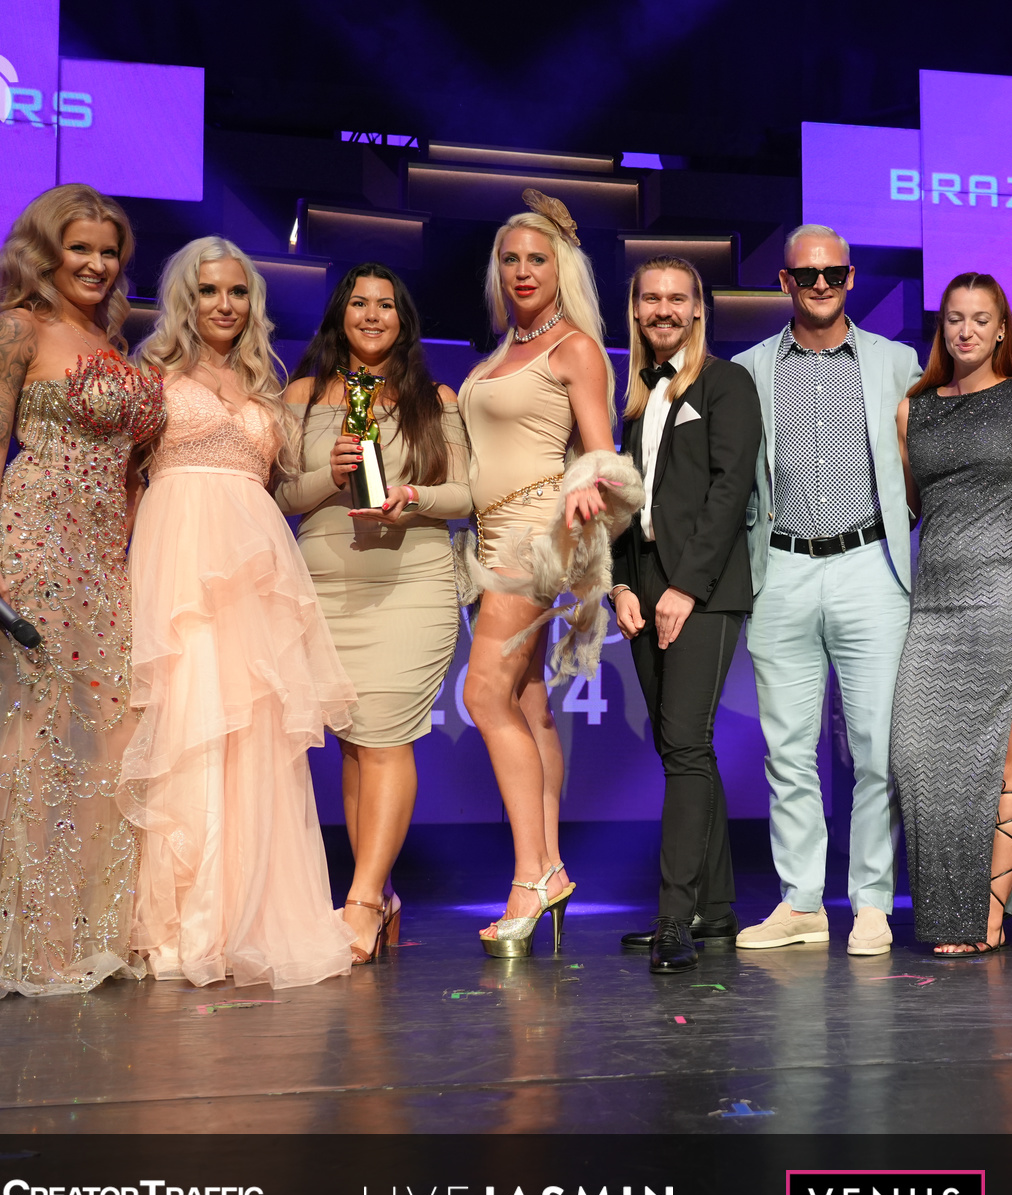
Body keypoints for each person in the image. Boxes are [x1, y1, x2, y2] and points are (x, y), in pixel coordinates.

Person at [120, 236, 356, 989]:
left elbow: (283, 490)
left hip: (256, 565)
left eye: (238, 291)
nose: (224, 304)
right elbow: (124, 480)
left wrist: (336, 473)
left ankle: (246, 919)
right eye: (209, 291)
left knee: (254, 731)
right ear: (184, 299)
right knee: (189, 723)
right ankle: (185, 927)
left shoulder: (266, 385)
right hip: (181, 563)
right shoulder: (150, 377)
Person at [0, 184, 164, 1001]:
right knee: (30, 739)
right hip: (36, 544)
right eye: (81, 248)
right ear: (46, 251)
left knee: (109, 745)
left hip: (106, 562)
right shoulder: (18, 330)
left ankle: (94, 933)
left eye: (110, 252)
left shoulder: (114, 342)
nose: (97, 264)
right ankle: (26, 943)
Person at [731, 224, 920, 957]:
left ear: (850, 278)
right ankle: (803, 903)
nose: (820, 286)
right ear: (783, 281)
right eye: (806, 275)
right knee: (787, 750)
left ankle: (871, 902)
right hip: (780, 566)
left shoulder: (895, 361)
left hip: (869, 563)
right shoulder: (749, 369)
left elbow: (927, 457)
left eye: (833, 274)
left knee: (876, 749)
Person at [461, 190, 639, 959]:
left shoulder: (573, 348)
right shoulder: (504, 350)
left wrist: (586, 491)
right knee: (529, 704)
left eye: (537, 258)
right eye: (510, 259)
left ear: (561, 267)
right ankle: (552, 867)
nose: (523, 270)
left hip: (534, 532)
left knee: (483, 693)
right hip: (491, 530)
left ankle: (530, 876)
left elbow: (600, 453)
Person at [278, 264, 473, 963]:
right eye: (359, 303)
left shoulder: (434, 398)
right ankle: (381, 897)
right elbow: (276, 494)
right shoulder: (302, 397)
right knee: (356, 745)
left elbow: (467, 494)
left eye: (385, 305)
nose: (371, 315)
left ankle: (360, 901)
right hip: (325, 588)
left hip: (410, 583)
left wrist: (413, 497)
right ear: (340, 313)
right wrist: (326, 476)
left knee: (386, 737)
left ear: (403, 319)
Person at [608, 257, 761, 974]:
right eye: (651, 298)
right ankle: (715, 908)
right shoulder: (635, 396)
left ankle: (676, 918)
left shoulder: (727, 384)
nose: (663, 309)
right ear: (636, 310)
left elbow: (731, 492)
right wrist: (619, 583)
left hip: (703, 587)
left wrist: (686, 588)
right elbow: (619, 499)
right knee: (681, 749)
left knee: (687, 744)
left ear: (698, 308)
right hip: (643, 583)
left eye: (677, 297)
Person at [890, 273, 1012, 957]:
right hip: (934, 606)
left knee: (1002, 768)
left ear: (1002, 328)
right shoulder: (914, 410)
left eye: (981, 319)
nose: (966, 331)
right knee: (915, 760)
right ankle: (947, 910)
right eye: (955, 318)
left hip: (1003, 599)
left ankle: (986, 919)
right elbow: (909, 505)